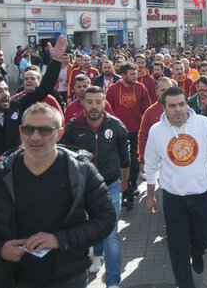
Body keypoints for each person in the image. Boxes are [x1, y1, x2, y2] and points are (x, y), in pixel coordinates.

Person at [0, 103, 115, 288]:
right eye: (28, 130)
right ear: (20, 131)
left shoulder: (81, 171)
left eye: (44, 130)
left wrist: (60, 239)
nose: (35, 137)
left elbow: (105, 218)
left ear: (59, 134)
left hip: (67, 278)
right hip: (13, 279)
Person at [144, 86, 207, 288]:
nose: (178, 109)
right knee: (178, 247)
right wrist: (150, 195)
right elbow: (150, 164)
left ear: (187, 104)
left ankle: (197, 252)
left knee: (204, 238)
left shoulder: (203, 124)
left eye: (181, 104)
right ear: (164, 108)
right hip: (172, 198)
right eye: (172, 106)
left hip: (201, 196)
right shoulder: (156, 131)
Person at [0, 37, 66, 184]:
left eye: (6, 90)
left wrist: (55, 61)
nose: (5, 94)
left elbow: (43, 89)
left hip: (17, 176)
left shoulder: (16, 105)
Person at [60, 86, 130, 285]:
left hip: (111, 185)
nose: (94, 106)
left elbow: (125, 157)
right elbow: (64, 156)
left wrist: (124, 181)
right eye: (89, 102)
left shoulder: (115, 125)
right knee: (91, 224)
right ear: (82, 102)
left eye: (98, 102)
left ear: (104, 102)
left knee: (111, 233)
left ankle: (113, 281)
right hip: (83, 188)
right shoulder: (73, 127)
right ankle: (97, 254)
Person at [106, 63, 151, 208]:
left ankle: (132, 186)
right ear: (123, 75)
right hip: (119, 132)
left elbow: (146, 109)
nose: (135, 76)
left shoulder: (140, 88)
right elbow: (108, 110)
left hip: (136, 131)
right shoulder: (113, 89)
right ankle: (127, 192)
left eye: (136, 74)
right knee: (123, 161)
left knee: (134, 161)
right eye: (132, 74)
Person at [138, 77, 178, 170]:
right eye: (162, 90)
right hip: (159, 161)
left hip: (179, 157)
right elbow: (143, 136)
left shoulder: (182, 108)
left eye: (168, 89)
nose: (166, 92)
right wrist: (143, 160)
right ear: (156, 92)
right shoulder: (150, 112)